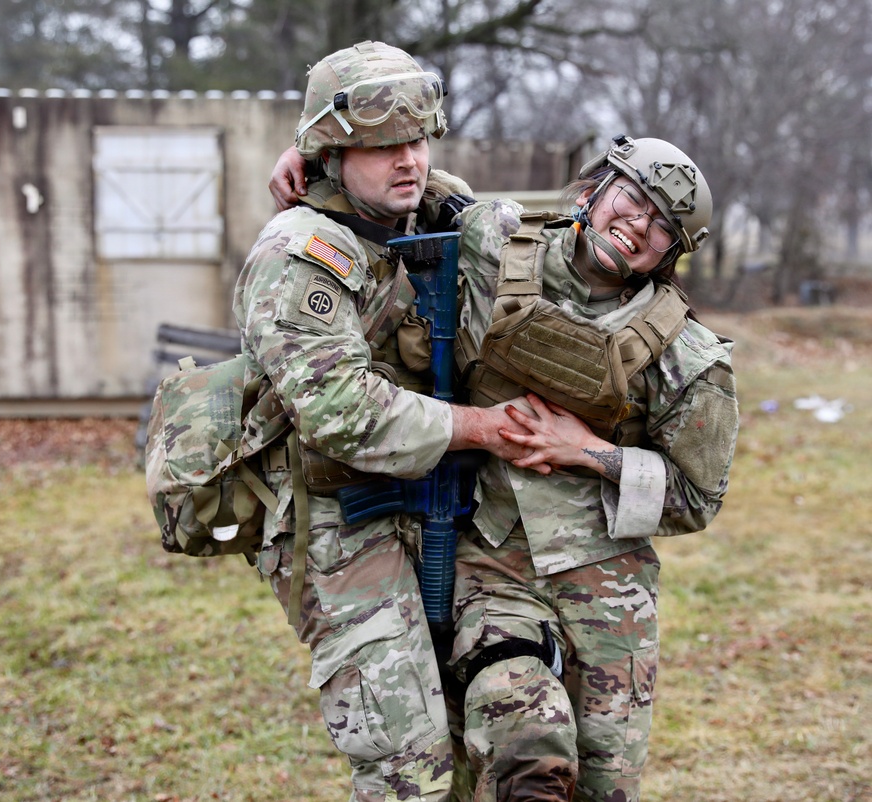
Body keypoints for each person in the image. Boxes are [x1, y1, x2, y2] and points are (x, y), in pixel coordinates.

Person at [271, 133, 739, 802]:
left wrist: (587, 451)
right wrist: (311, 155)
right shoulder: (493, 242)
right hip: (491, 567)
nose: (639, 225)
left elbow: (696, 498)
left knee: (606, 784)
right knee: (524, 743)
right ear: (593, 191)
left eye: (663, 225)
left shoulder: (688, 358)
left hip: (611, 591)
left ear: (673, 253)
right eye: (632, 199)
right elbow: (404, 186)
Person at [235, 40, 535, 802]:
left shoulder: (420, 210)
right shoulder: (300, 255)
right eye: (381, 146)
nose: (409, 160)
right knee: (408, 759)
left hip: (431, 497)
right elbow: (339, 411)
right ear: (332, 156)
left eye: (418, 140)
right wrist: (481, 428)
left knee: (491, 717)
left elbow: (531, 232)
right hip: (335, 513)